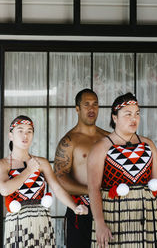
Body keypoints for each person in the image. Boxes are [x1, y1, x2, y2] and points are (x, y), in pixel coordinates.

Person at [88, 93, 157, 248]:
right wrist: (99, 223)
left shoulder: (148, 145)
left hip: (146, 217)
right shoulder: (102, 147)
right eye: (128, 114)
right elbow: (93, 188)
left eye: (137, 114)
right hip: (113, 217)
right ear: (115, 118)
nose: (134, 118)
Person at [0, 115, 88, 247]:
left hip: (41, 220)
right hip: (17, 223)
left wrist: (74, 206)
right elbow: (5, 190)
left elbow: (57, 188)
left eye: (29, 131)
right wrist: (28, 170)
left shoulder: (41, 162)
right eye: (20, 130)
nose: (25, 135)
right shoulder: (2, 164)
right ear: (11, 135)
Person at [54, 89, 109, 248]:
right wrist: (91, 191)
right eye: (86, 105)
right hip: (81, 208)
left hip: (108, 207)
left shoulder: (108, 138)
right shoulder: (69, 141)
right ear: (77, 109)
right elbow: (60, 178)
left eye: (95, 104)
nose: (91, 109)